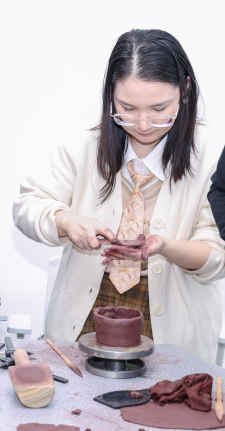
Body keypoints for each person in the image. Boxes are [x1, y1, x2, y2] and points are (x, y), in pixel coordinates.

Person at [13, 29, 225, 362]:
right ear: (110, 95)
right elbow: (27, 205)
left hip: (172, 328)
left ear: (185, 90)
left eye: (159, 109)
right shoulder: (83, 145)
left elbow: (216, 255)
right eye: (127, 108)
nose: (143, 124)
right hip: (84, 316)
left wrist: (165, 247)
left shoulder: (212, 159)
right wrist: (67, 221)